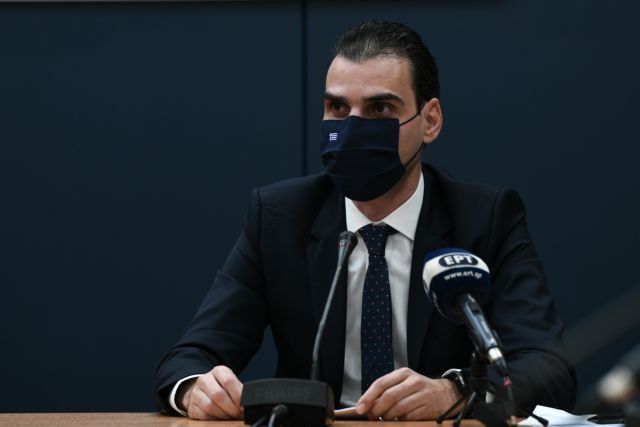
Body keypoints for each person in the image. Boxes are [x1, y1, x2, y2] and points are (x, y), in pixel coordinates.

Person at [155, 20, 576, 421]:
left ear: (430, 121)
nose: (353, 128)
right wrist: (196, 389)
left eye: (380, 108)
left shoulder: (485, 218)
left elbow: (549, 369)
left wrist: (455, 394)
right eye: (338, 108)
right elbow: (189, 359)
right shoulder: (280, 217)